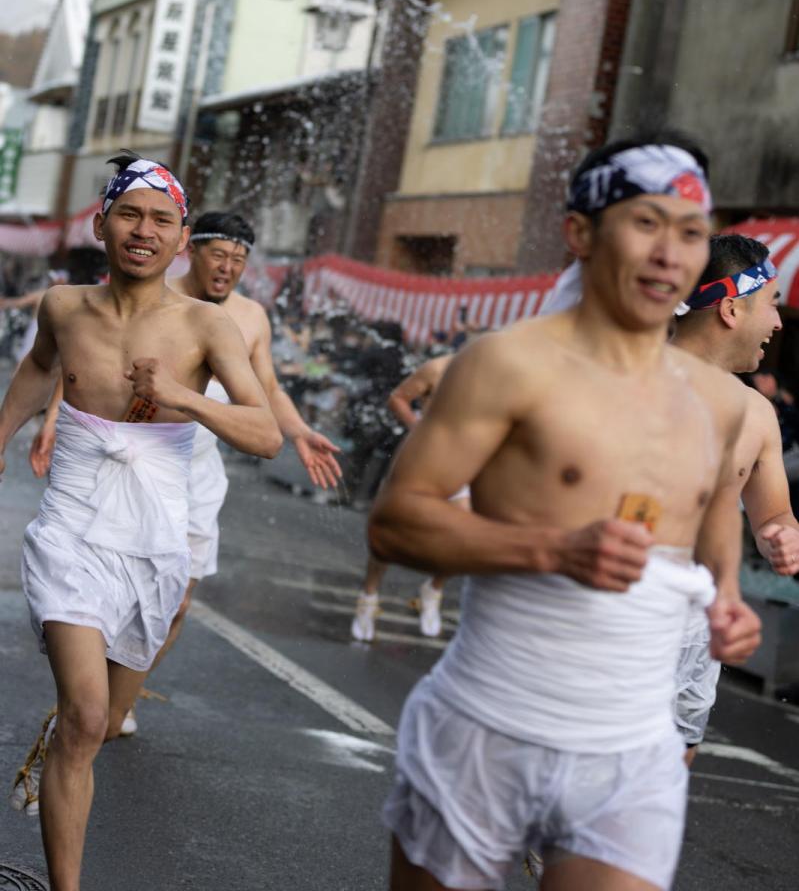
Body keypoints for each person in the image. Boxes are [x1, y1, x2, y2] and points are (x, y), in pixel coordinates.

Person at [369, 133, 761, 891]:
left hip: (630, 751)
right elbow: (396, 521)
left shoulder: (715, 403)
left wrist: (728, 602)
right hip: (488, 724)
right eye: (644, 223)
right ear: (579, 233)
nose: (668, 252)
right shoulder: (507, 363)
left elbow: (711, 518)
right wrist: (552, 549)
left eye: (687, 232)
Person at [3, 155, 282, 891]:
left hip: (156, 535)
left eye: (162, 219)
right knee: (90, 718)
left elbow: (262, 433)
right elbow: (37, 368)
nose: (144, 230)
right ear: (101, 224)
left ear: (181, 238)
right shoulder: (63, 307)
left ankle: (66, 738)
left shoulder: (207, 326)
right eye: (130, 214)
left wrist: (185, 399)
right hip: (71, 523)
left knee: (95, 719)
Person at [26, 208, 342, 738]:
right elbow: (83, 362)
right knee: (94, 593)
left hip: (194, 475)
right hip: (125, 460)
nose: (228, 268)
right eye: (220, 255)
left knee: (173, 604)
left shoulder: (248, 319)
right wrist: (56, 419)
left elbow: (268, 391)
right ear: (192, 250)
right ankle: (89, 705)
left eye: (239, 260)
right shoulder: (150, 292)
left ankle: (111, 697)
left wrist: (300, 431)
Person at [671, 234, 799, 761]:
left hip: (698, 628)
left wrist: (784, 535)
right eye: (771, 305)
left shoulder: (756, 414)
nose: (778, 323)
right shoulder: (625, 382)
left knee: (673, 764)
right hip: (610, 613)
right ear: (730, 308)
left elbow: (776, 512)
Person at [351, 354, 470, 642]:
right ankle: (369, 596)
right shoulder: (438, 368)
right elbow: (398, 398)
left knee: (462, 539)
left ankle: (434, 590)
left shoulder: (499, 378)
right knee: (390, 532)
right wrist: (421, 429)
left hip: (462, 462)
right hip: (420, 459)